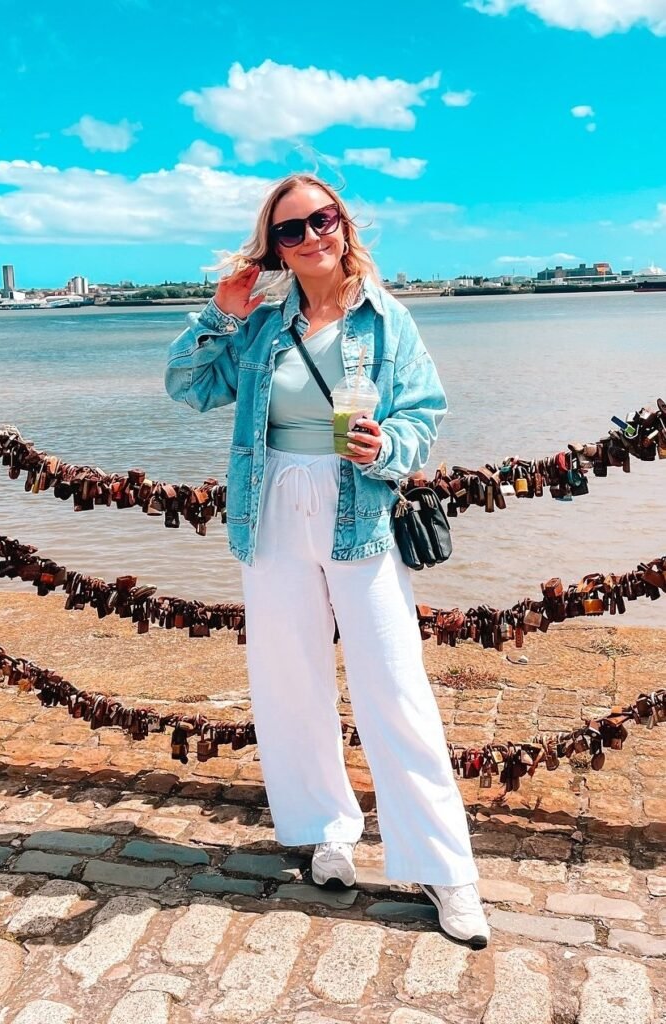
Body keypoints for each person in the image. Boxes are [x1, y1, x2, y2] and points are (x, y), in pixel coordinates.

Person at [165, 173, 489, 949]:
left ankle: (444, 869)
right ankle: (325, 831)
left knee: (395, 686)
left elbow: (423, 411)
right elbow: (187, 387)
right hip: (271, 505)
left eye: (322, 219)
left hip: (359, 509)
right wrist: (221, 312)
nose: (311, 236)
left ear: (343, 224)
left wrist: (390, 445)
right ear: (273, 246)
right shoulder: (261, 325)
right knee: (290, 681)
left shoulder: (385, 317)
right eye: (291, 229)